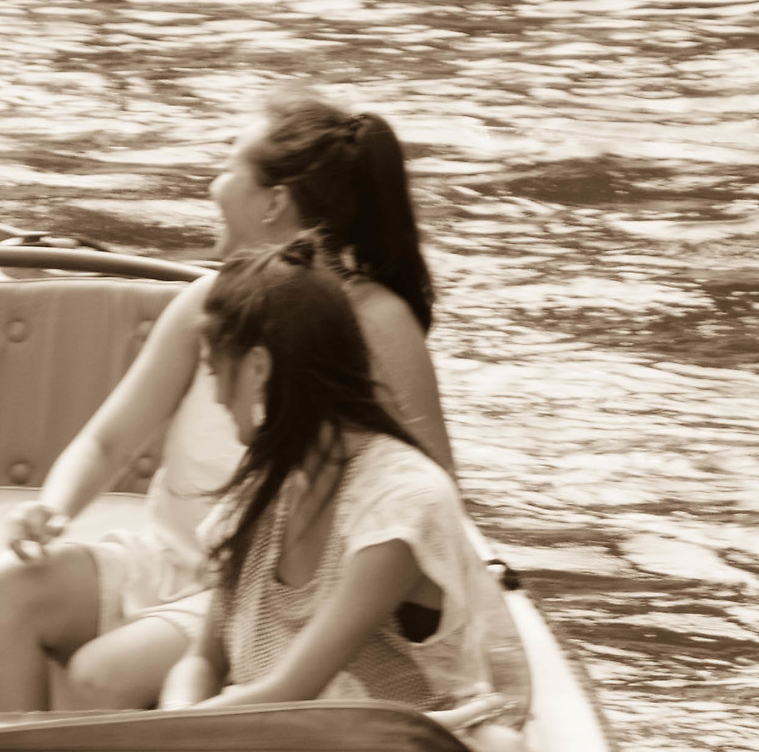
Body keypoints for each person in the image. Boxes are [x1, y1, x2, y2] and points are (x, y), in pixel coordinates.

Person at [0, 94, 454, 712]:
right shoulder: (206, 300)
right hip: (172, 560)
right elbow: (108, 441)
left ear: (273, 201)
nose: (211, 183)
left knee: (100, 674)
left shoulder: (379, 323)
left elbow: (425, 509)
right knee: (5, 593)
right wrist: (51, 510)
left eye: (226, 166)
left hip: (277, 588)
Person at [158, 239, 522, 715]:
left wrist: (178, 733)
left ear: (258, 368)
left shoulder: (402, 504)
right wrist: (177, 713)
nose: (219, 398)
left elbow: (290, 694)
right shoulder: (260, 494)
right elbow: (202, 660)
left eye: (216, 372)